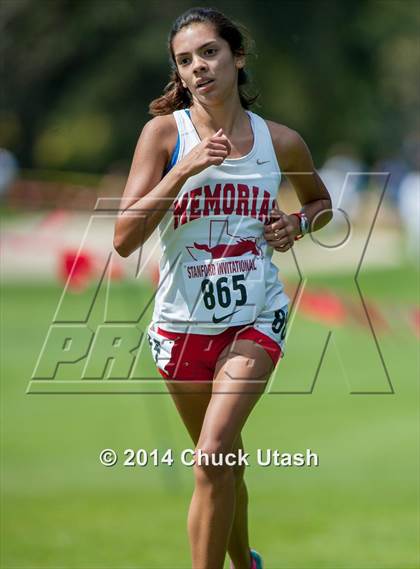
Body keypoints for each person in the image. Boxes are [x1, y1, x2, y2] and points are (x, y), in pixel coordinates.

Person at [114, 7, 331, 569]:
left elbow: (321, 204)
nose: (198, 68)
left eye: (208, 53)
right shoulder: (164, 134)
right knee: (222, 463)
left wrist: (297, 224)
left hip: (255, 318)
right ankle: (246, 565)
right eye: (184, 61)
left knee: (211, 456)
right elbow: (123, 237)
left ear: (237, 56)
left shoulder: (279, 142)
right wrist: (182, 170)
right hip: (180, 325)